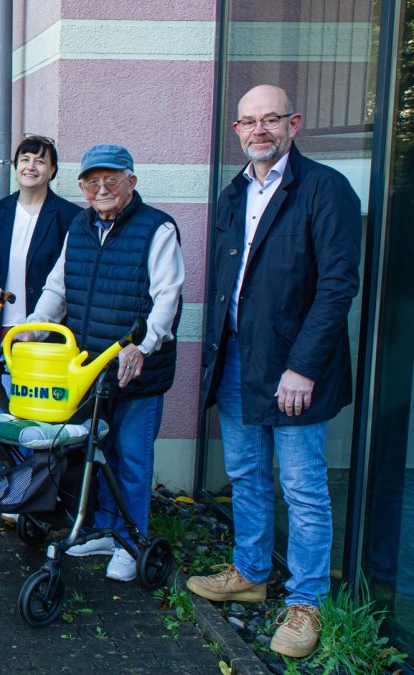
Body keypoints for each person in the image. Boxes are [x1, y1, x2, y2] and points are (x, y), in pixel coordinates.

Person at [188, 85, 361, 659]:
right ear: (237, 131)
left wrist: (303, 367)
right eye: (248, 122)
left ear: (294, 123)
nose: (259, 130)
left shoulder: (325, 189)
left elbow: (338, 286)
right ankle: (251, 571)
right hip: (238, 359)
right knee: (245, 473)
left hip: (294, 369)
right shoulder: (235, 192)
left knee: (304, 488)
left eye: (270, 120)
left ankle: (307, 600)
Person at [21, 144, 184, 582]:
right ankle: (106, 531)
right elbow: (59, 286)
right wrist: (35, 326)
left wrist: (144, 347)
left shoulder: (158, 228)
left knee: (131, 457)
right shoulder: (80, 224)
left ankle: (132, 544)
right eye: (93, 181)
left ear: (132, 181)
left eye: (112, 178)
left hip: (135, 368)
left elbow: (167, 298)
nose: (102, 188)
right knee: (98, 452)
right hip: (90, 368)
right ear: (82, 187)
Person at [0, 134, 81, 366]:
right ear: (16, 166)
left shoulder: (69, 217)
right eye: (25, 159)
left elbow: (70, 283)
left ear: (52, 170)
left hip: (44, 334)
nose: (31, 166)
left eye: (40, 161)